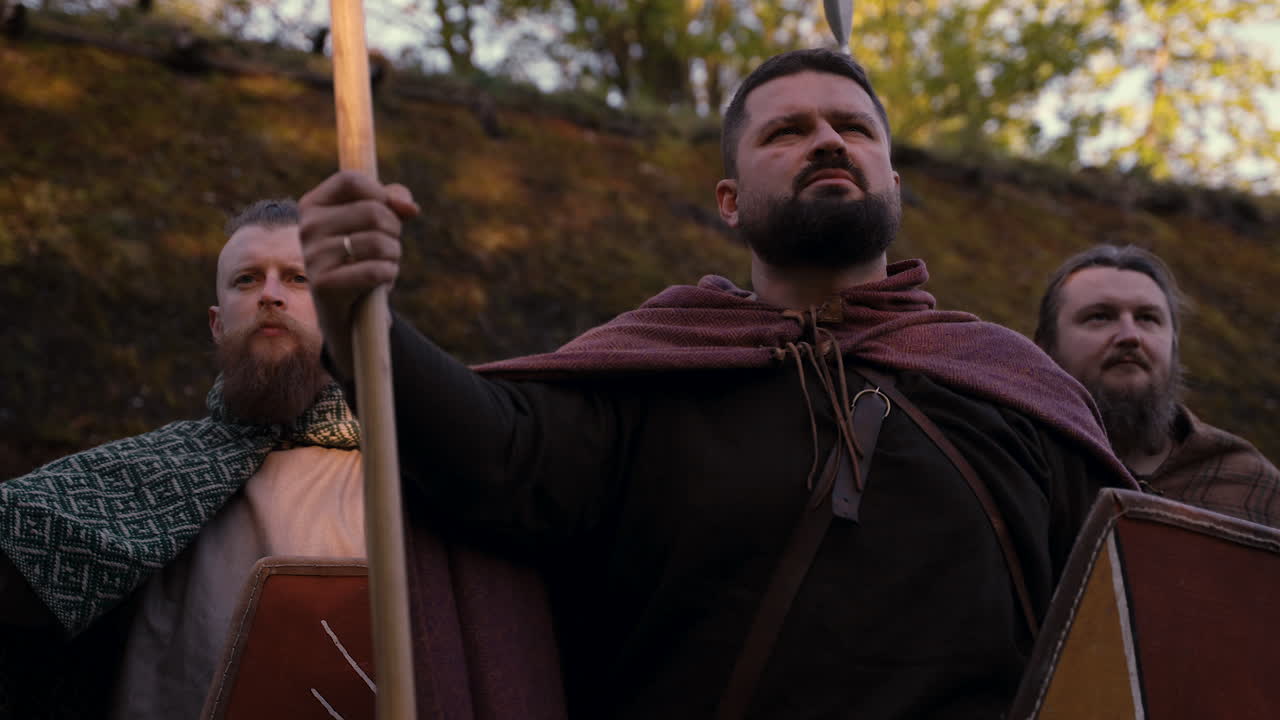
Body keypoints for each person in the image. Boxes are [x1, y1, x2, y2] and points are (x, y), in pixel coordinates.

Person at [299, 49, 1134, 718]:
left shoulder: (1011, 385)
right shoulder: (652, 375)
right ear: (728, 203)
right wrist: (354, 318)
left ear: (894, 184)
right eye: (787, 132)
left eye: (852, 127)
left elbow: (1127, 623)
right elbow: (487, 451)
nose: (829, 141)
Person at [0, 199, 364, 719]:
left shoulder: (406, 476)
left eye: (298, 278)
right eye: (246, 280)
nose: (270, 295)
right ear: (217, 324)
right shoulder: (145, 472)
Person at [1035, 244, 1280, 527]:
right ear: (1044, 347)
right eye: (1100, 316)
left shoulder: (1248, 484)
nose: (1130, 336)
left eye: (1147, 318)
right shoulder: (1023, 466)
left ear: (1174, 345)